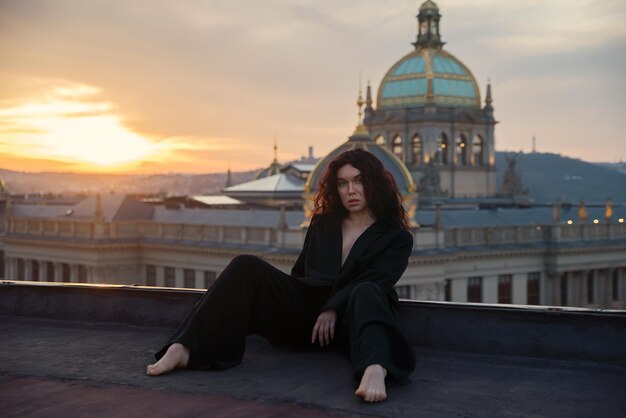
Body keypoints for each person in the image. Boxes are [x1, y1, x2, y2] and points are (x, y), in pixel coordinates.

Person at [146, 148, 416, 403]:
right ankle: (185, 348)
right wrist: (284, 300)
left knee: (366, 291)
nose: (351, 190)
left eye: (359, 181)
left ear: (375, 184)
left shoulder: (396, 237)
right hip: (310, 324)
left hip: (354, 323)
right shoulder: (323, 223)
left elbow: (377, 280)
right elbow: (301, 275)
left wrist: (332, 308)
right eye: (343, 183)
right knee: (245, 264)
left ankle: (375, 368)